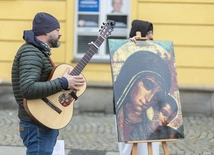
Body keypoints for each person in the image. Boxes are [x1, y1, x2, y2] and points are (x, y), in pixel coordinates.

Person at [11, 12, 85, 155]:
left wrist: (64, 81)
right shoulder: (31, 53)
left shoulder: (37, 51)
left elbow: (44, 82)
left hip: (42, 120)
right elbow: (28, 88)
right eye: (57, 30)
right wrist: (63, 82)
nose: (60, 34)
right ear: (46, 31)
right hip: (36, 124)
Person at [113, 50, 171, 155]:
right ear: (131, 79)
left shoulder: (151, 125)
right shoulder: (120, 116)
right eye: (148, 86)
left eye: (157, 95)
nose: (149, 99)